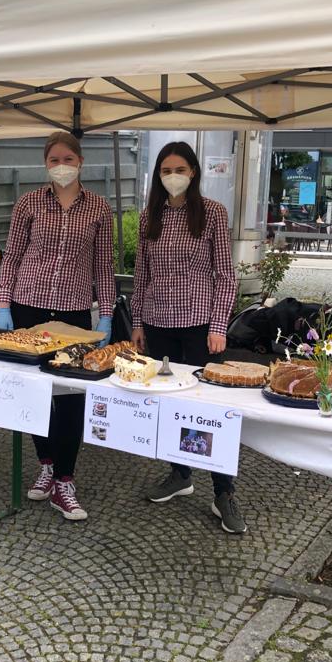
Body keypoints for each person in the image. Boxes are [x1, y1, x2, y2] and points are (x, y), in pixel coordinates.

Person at [0, 131, 115, 522]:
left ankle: (65, 479)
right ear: (45, 164)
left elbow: (104, 267)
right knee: (33, 392)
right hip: (28, 307)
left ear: (81, 162)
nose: (61, 166)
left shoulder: (99, 208)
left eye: (68, 159)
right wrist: (3, 304)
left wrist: (107, 313)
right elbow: (12, 257)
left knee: (71, 398)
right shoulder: (29, 202)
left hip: (74, 313)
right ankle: (46, 463)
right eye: (54, 160)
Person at [130, 142, 245, 534]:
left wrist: (218, 325)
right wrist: (137, 321)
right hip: (158, 323)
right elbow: (141, 274)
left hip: (199, 325)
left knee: (208, 409)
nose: (172, 176)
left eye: (179, 169)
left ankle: (223, 490)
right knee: (169, 404)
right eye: (166, 170)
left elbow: (225, 275)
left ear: (193, 172)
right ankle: (180, 473)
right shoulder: (150, 216)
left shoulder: (212, 212)